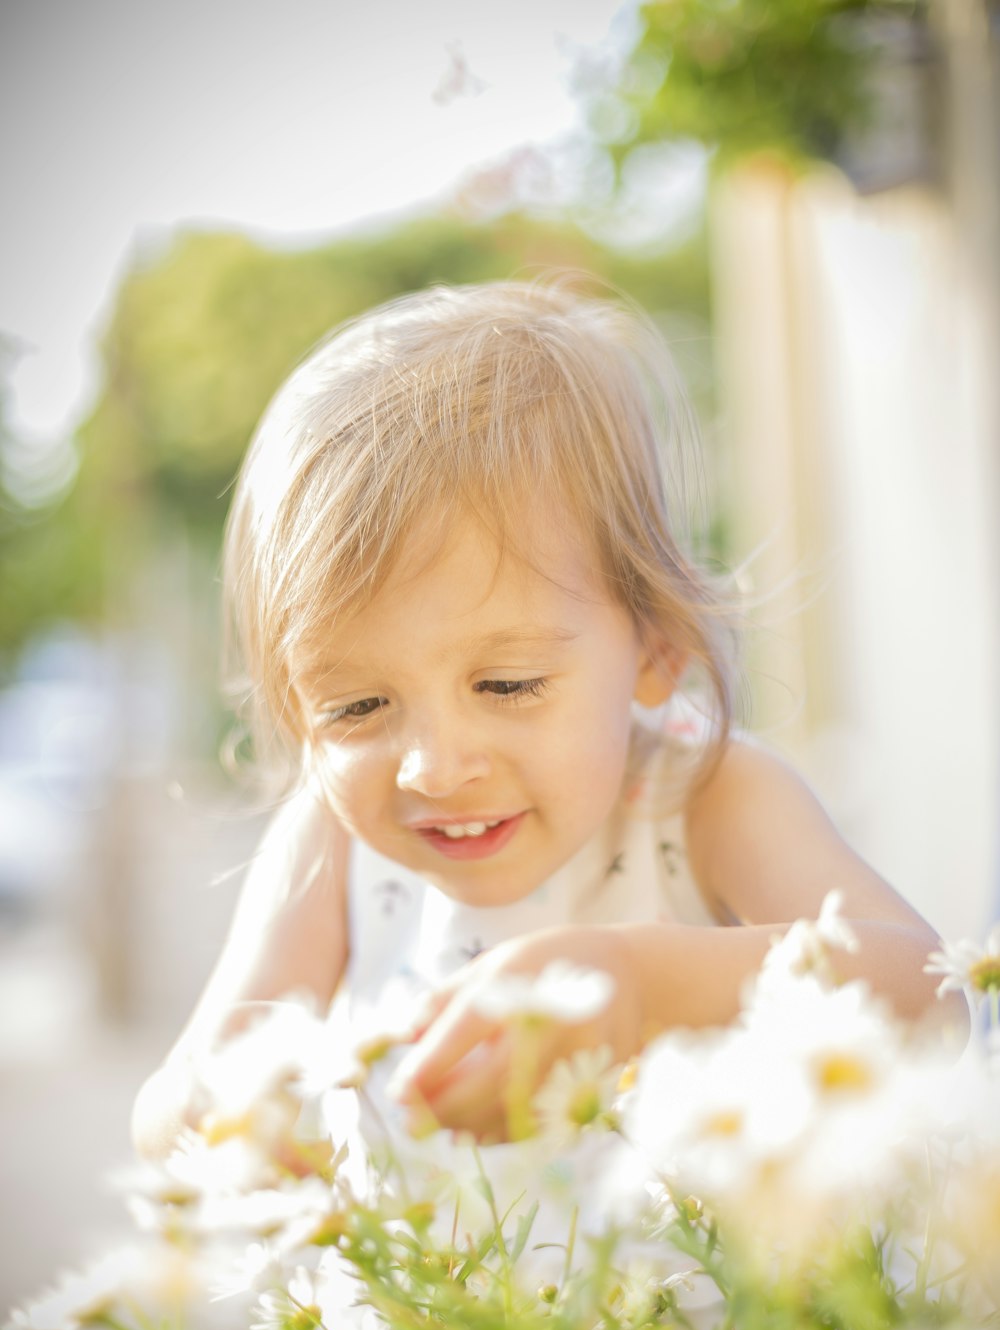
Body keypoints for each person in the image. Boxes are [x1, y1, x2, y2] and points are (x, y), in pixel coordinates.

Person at [131, 276, 957, 1160]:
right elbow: (178, 1101)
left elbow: (930, 995)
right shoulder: (329, 847)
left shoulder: (706, 796)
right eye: (357, 707)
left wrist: (647, 983)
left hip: (679, 1292)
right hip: (431, 1299)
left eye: (510, 684)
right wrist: (220, 1120)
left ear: (654, 648)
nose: (434, 769)